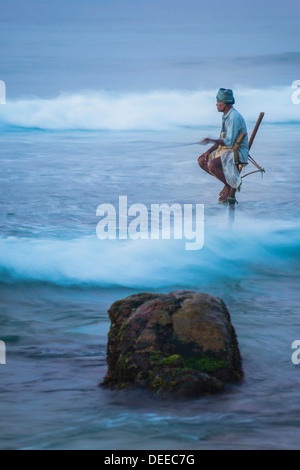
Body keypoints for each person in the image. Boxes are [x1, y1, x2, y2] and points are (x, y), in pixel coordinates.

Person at [198, 88, 249, 202]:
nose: (216, 104)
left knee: (212, 165)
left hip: (237, 151)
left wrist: (210, 139)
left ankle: (230, 186)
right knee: (202, 160)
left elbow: (229, 142)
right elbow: (222, 138)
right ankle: (227, 184)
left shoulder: (234, 117)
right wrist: (209, 151)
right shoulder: (226, 115)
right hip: (227, 149)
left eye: (218, 102)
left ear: (225, 103)